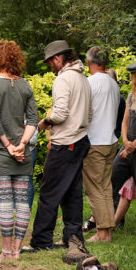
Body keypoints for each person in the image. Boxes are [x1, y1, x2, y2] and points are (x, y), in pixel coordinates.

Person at [29, 40, 92, 265]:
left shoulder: (64, 79)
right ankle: (72, 237)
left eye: (50, 63)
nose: (50, 67)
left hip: (65, 143)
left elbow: (61, 113)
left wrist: (46, 121)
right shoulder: (83, 78)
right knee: (72, 192)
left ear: (58, 59)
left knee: (49, 193)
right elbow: (90, 113)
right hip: (81, 140)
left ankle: (41, 240)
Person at [0, 40, 38, 260]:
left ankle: (6, 251)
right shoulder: (25, 85)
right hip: (23, 153)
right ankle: (17, 251)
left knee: (5, 202)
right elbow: (33, 119)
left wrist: (9, 146)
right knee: (22, 202)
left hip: (1, 151)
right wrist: (23, 144)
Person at [83, 46, 120, 242]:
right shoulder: (113, 84)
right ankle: (108, 230)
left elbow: (83, 112)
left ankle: (102, 233)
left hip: (95, 142)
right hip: (111, 141)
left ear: (89, 62)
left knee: (94, 189)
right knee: (105, 187)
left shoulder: (90, 82)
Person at [110, 62, 136, 229]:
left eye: (133, 75)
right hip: (129, 144)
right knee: (115, 173)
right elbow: (125, 120)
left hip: (134, 146)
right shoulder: (131, 95)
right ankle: (113, 222)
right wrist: (125, 141)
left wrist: (133, 145)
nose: (132, 78)